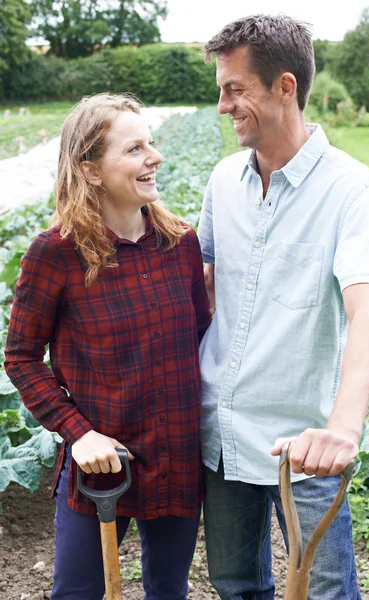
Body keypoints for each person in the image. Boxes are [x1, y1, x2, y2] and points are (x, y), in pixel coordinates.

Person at [197, 14, 369, 600]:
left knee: (330, 592)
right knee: (236, 589)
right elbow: (202, 289)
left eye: (236, 90)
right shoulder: (222, 181)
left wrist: (342, 428)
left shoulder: (351, 189)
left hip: (304, 447)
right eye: (220, 90)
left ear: (285, 87)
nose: (223, 106)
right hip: (222, 435)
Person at [5, 92, 211, 600]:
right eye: (134, 149)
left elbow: (201, 339)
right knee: (77, 592)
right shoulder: (56, 253)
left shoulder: (180, 243)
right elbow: (21, 357)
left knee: (168, 590)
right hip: (103, 465)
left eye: (152, 144)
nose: (154, 157)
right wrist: (78, 434)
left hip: (176, 456)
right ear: (91, 170)